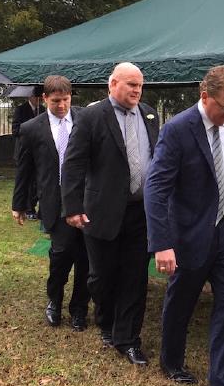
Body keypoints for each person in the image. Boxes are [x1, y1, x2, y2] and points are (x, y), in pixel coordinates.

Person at [145, 66, 224, 386]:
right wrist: (162, 243)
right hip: (189, 233)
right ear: (204, 96)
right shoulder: (178, 129)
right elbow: (156, 188)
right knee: (182, 301)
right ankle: (172, 361)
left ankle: (222, 381)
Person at [62, 63, 160, 365]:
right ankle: (105, 320)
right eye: (131, 84)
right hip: (102, 211)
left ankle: (127, 339)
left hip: (140, 212)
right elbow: (73, 163)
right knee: (102, 276)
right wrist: (73, 207)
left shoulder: (149, 115)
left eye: (140, 85)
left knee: (135, 276)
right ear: (113, 84)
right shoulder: (92, 117)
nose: (137, 90)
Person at [12, 75, 90, 331]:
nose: (61, 106)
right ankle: (54, 301)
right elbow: (24, 169)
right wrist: (19, 203)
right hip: (55, 202)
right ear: (44, 98)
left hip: (85, 199)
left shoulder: (85, 119)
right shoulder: (31, 128)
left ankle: (79, 308)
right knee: (60, 255)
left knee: (86, 257)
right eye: (56, 101)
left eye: (66, 100)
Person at [12, 89, 43, 219]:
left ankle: (36, 206)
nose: (38, 99)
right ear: (30, 97)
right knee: (28, 180)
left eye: (39, 97)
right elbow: (15, 130)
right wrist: (30, 128)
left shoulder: (43, 110)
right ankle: (28, 208)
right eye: (36, 97)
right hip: (24, 150)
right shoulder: (21, 110)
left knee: (37, 181)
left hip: (39, 151)